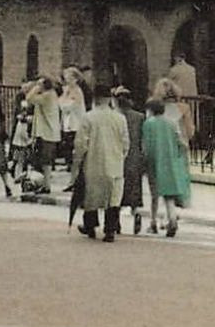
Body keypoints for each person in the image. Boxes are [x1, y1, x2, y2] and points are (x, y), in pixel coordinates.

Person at [68, 85, 129, 242]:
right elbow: (125, 143)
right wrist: (121, 155)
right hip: (115, 163)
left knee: (91, 196)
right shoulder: (120, 118)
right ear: (110, 99)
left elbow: (81, 143)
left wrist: (77, 162)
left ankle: (90, 226)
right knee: (113, 198)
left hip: (94, 162)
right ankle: (110, 230)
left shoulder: (88, 118)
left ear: (95, 99)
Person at [141, 99, 190, 237]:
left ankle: (153, 222)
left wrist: (144, 163)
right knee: (169, 195)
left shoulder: (148, 124)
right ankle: (172, 219)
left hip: (154, 162)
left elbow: (146, 146)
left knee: (154, 195)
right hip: (170, 162)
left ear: (150, 110)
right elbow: (182, 143)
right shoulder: (172, 123)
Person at [114, 87, 149, 235]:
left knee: (117, 191)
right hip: (135, 157)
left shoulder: (115, 117)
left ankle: (117, 221)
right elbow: (143, 138)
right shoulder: (140, 117)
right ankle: (136, 213)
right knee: (135, 188)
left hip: (119, 157)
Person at [24, 77, 62, 186]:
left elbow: (29, 98)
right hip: (46, 132)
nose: (37, 86)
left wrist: (35, 89)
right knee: (43, 160)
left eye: (39, 84)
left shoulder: (47, 96)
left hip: (48, 133)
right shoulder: (51, 95)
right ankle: (45, 183)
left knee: (46, 160)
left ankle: (46, 184)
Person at [58, 68, 87, 174]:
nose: (67, 80)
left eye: (69, 78)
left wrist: (64, 99)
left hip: (75, 123)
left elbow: (67, 106)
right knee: (67, 145)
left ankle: (74, 167)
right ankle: (69, 165)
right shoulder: (67, 91)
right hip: (68, 122)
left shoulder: (77, 91)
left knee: (73, 145)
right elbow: (60, 103)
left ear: (75, 79)